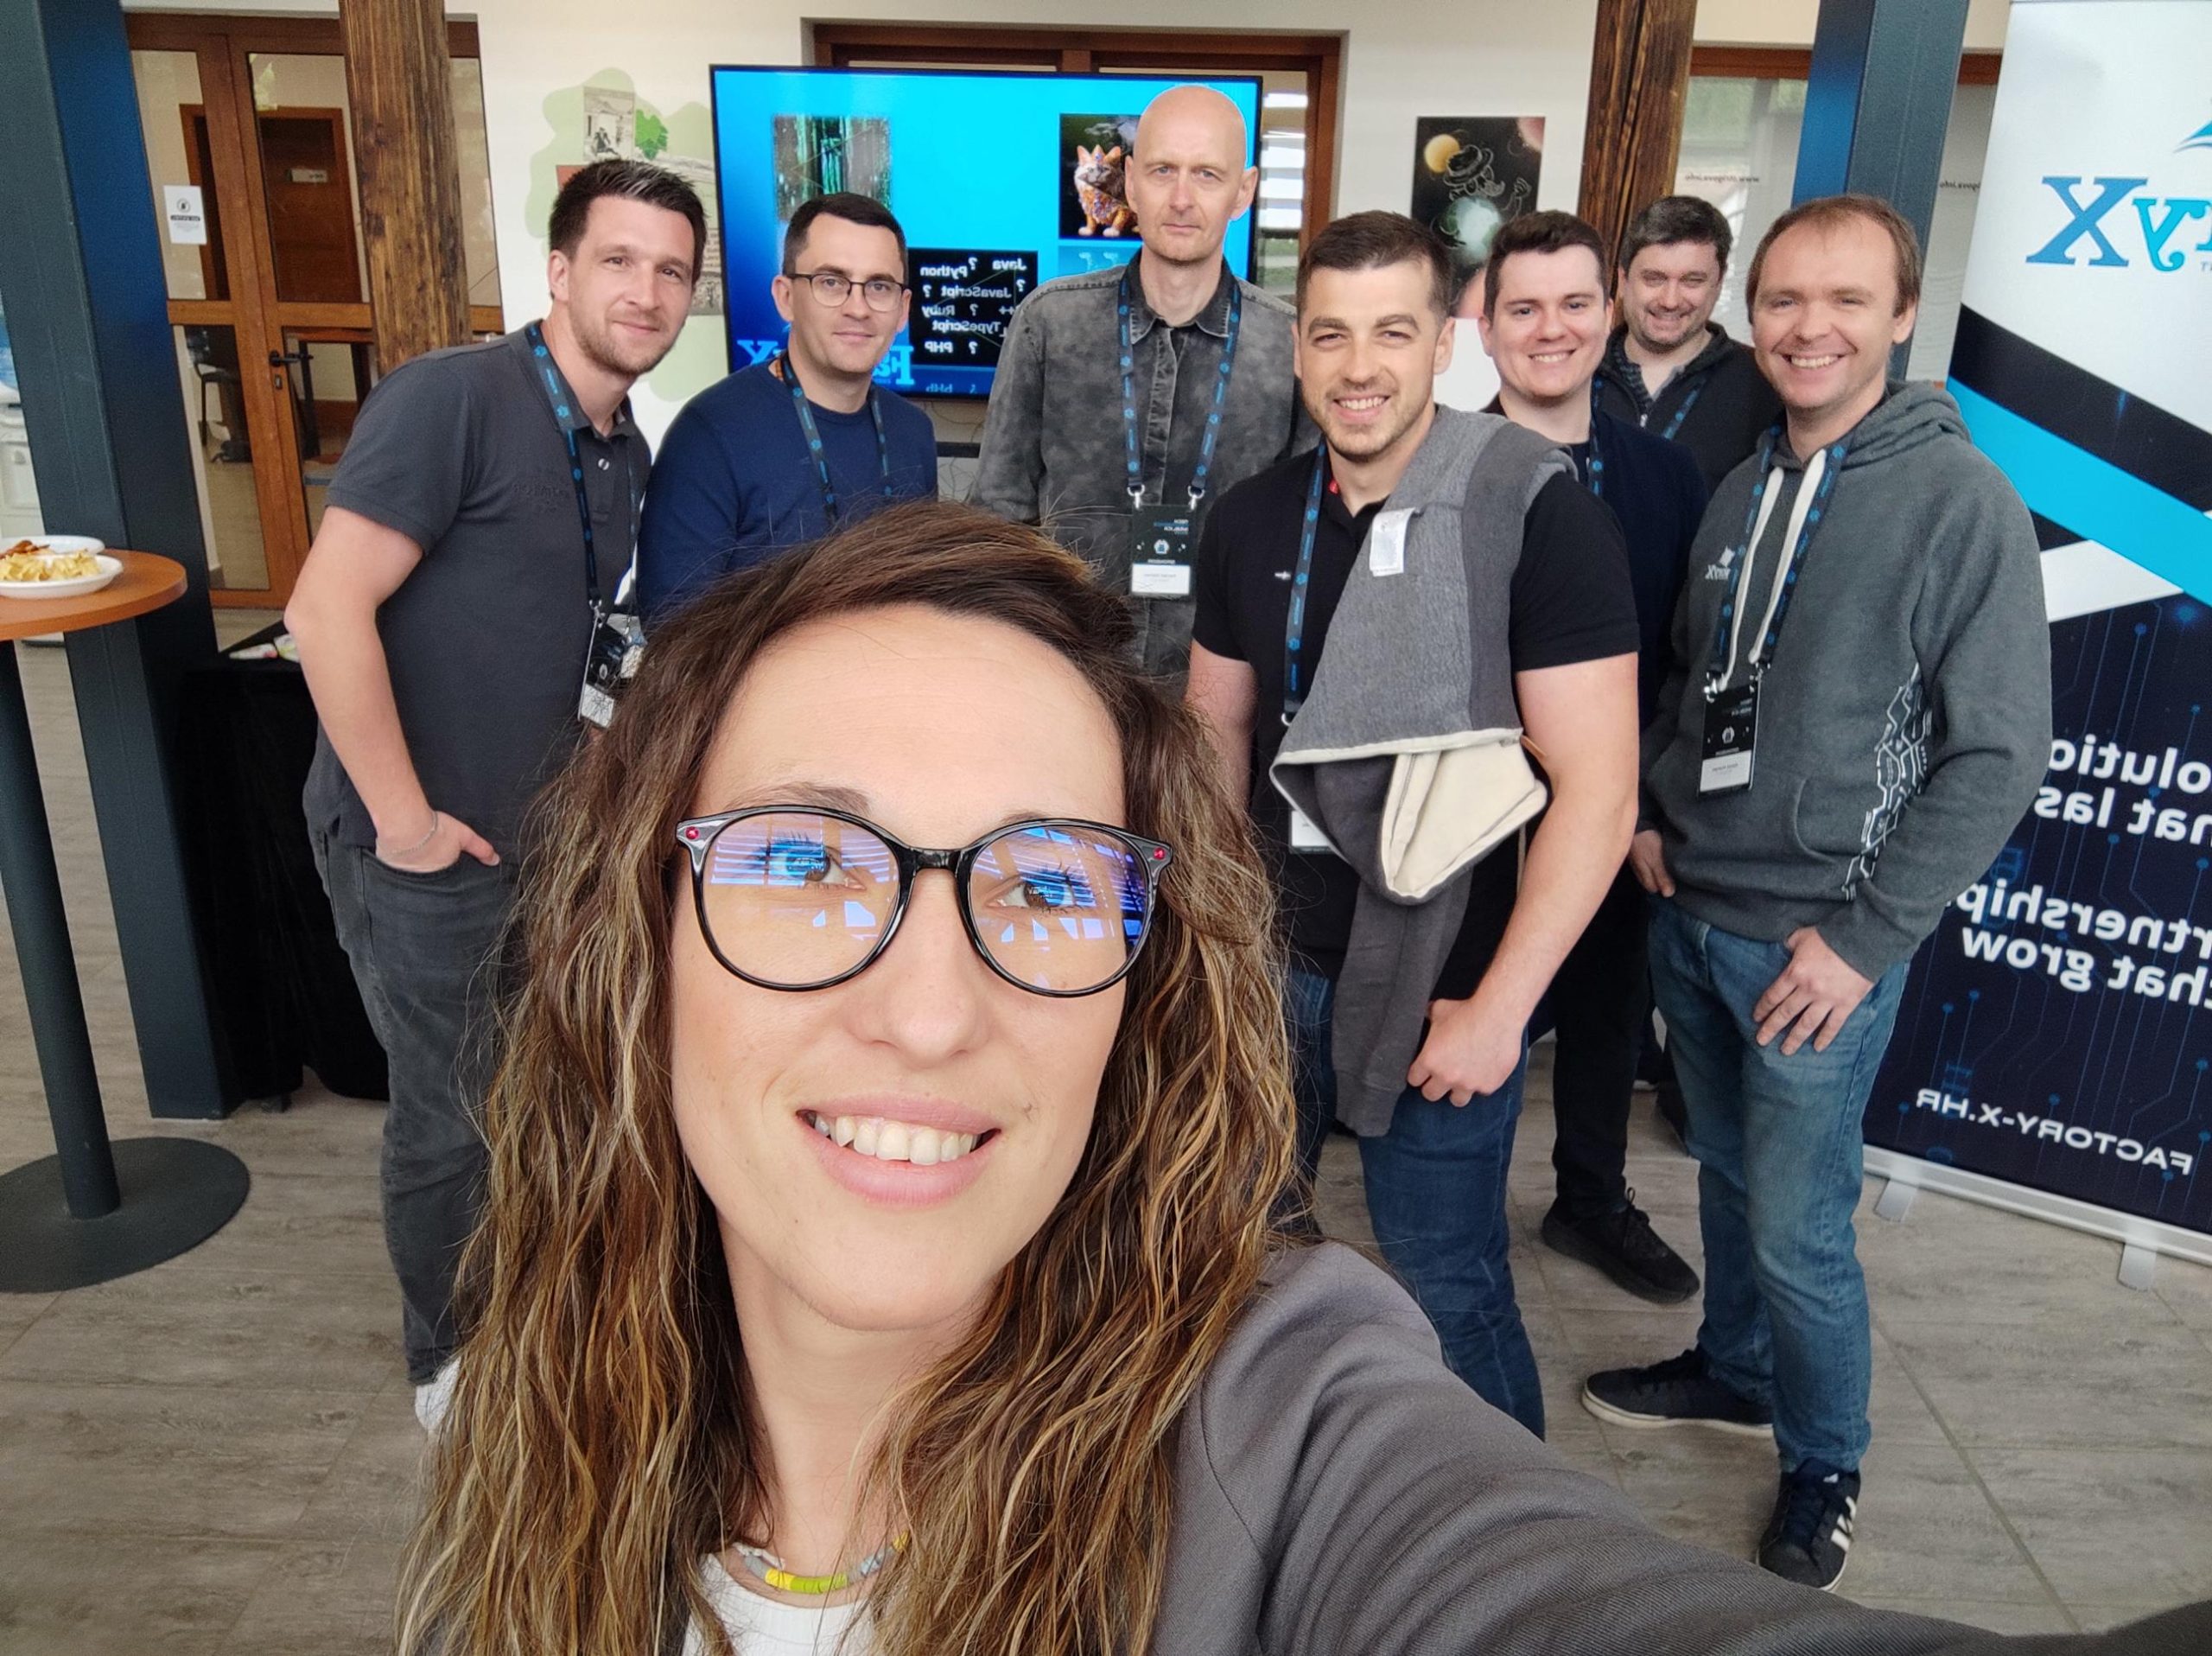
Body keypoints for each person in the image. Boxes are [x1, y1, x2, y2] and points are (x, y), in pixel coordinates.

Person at [392, 500, 2208, 1656]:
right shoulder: (520, 1418)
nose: (929, 1014)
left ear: (1138, 996)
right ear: (638, 941)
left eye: (1046, 884)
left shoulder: (1287, 1422)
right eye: (804, 861)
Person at [1584, 195, 2052, 1590]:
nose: (1810, 327)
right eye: (1785, 299)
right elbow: (1695, 675)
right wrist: (1656, 809)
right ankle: (1734, 1372)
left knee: (1798, 1229)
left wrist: (1861, 943)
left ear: (1903, 315)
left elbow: (1998, 754)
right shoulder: (1742, 487)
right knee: (1730, 1186)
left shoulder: (1959, 500)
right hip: (1695, 910)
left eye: (1847, 300)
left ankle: (1825, 1457)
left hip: (1817, 947)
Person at [1185, 211, 1641, 1437]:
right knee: (1245, 1253)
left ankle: (1516, 1528)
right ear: (1297, 348)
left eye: (1394, 332)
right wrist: (1216, 940)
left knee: (1447, 1278)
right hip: (1271, 963)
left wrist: (1501, 1009)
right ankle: (1273, 1482)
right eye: (1330, 334)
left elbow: (1599, 790)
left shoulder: (1531, 511)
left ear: (1448, 342)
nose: (1359, 366)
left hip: (1448, 977)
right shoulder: (1250, 516)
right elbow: (1216, 733)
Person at [285, 158, 704, 1420]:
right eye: (619, 260)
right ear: (560, 271)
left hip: (539, 844)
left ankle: (522, 1317)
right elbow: (323, 609)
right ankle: (448, 1364)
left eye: (671, 271)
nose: (645, 292)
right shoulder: (453, 398)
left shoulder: (624, 445)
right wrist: (406, 824)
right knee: (452, 1115)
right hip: (425, 848)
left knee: (528, 1099)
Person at [1473, 209, 1706, 1306]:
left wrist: (1645, 804)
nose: (1550, 328)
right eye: (1523, 308)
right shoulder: (1434, 464)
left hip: (1617, 806)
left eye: (1573, 303)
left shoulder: (1667, 476)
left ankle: (1591, 1197)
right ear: (1484, 325)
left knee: (1611, 1008)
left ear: (1608, 315)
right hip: (1471, 817)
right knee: (1475, 1008)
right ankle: (1457, 1207)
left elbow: (1685, 657)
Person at [973, 84, 1304, 678]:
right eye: (1162, 170)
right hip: (1072, 675)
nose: (1181, 198)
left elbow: (1300, 543)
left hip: (1221, 689)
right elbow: (998, 520)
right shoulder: (1049, 323)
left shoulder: (1290, 346)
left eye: (1207, 174)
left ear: (1243, 191)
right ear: (1128, 182)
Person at [636, 191, 937, 627]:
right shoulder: (710, 435)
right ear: (785, 297)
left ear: (903, 309)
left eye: (879, 286)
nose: (858, 308)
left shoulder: (914, 434)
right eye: (831, 282)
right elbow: (672, 632)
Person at [1595, 194, 1783, 494]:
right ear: (1623, 280)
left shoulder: (1764, 384)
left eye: (1692, 281)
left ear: (1718, 284)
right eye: (1654, 279)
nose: (1670, 301)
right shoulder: (1578, 369)